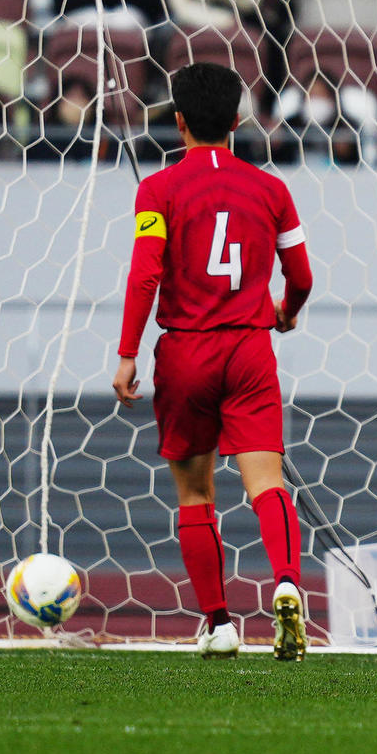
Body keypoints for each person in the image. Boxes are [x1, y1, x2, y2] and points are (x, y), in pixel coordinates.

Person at [111, 63, 314, 662]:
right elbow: (301, 274)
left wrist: (127, 353)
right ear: (235, 121)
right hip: (250, 349)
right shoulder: (272, 189)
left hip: (186, 352)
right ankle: (284, 582)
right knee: (267, 482)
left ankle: (220, 623)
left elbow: (146, 272)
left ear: (177, 122)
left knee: (196, 494)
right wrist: (288, 309)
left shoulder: (159, 190)